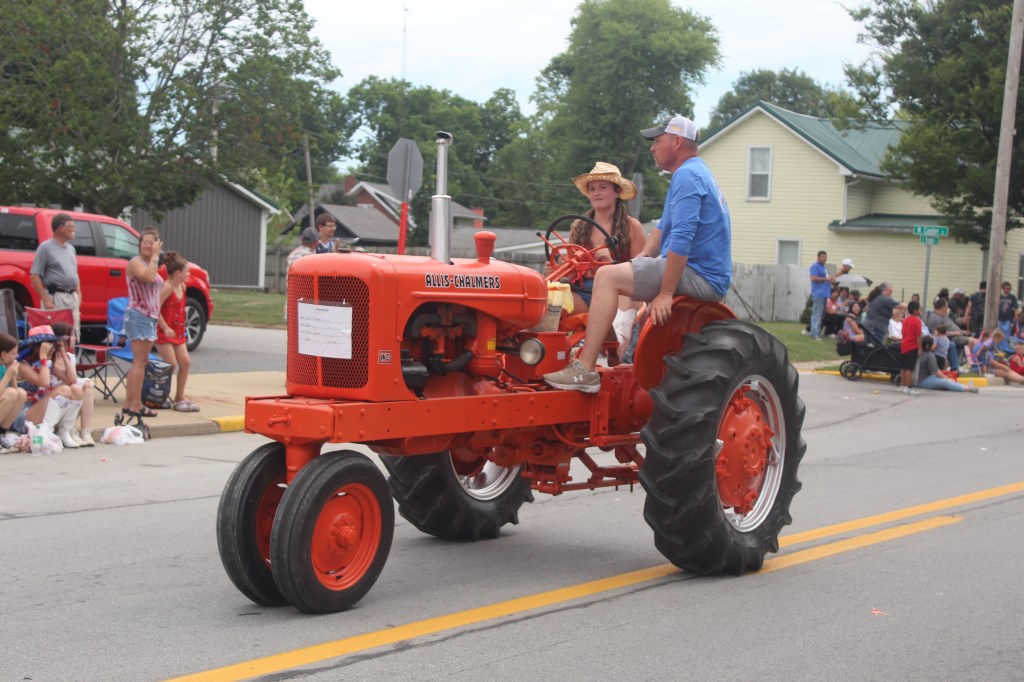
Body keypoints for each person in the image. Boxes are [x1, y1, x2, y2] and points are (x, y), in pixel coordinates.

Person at [543, 115, 731, 392]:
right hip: (703, 272)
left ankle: (585, 368)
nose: (653, 148)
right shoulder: (695, 172)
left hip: (699, 274)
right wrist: (640, 257)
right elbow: (663, 228)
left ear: (677, 141)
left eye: (657, 141)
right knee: (550, 298)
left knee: (607, 277)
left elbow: (682, 237)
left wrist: (665, 292)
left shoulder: (688, 176)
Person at [557, 162, 647, 318]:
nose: (596, 193)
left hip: (619, 292)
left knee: (626, 305)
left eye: (603, 187)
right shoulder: (579, 226)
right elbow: (570, 273)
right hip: (583, 292)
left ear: (617, 192)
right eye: (592, 189)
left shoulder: (632, 226)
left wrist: (612, 265)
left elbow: (641, 274)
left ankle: (615, 331)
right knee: (549, 302)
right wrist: (558, 270)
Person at [16, 325, 81, 447]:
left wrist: (63, 353)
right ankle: (47, 431)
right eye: (49, 345)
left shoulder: (45, 363)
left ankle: (64, 431)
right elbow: (44, 382)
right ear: (38, 346)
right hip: (23, 415)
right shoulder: (23, 365)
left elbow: (72, 379)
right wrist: (44, 357)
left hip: (40, 407)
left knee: (76, 389)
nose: (52, 348)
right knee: (62, 390)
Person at [123, 227, 164, 419]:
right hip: (139, 315)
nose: (147, 246)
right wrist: (155, 256)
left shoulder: (150, 264)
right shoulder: (135, 263)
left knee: (139, 361)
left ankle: (129, 403)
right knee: (140, 361)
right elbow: (148, 278)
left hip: (148, 317)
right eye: (144, 242)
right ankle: (136, 404)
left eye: (151, 243)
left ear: (157, 243)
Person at [156, 252, 198, 413]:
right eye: (187, 271)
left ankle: (179, 396)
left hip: (178, 332)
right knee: (171, 364)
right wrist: (165, 327)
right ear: (178, 272)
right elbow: (155, 308)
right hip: (164, 332)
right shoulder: (167, 287)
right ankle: (161, 396)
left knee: (185, 362)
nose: (188, 274)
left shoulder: (183, 287)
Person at [29, 213, 81, 340]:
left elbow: (74, 273)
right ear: (60, 228)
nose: (74, 229)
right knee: (56, 334)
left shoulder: (71, 249)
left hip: (72, 297)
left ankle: (71, 352)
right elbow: (35, 275)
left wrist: (79, 295)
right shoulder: (45, 248)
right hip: (56, 297)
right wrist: (46, 299)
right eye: (71, 226)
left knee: (72, 333)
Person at [50, 321, 96, 446]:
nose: (74, 338)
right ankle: (68, 430)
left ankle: (85, 431)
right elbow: (71, 380)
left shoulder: (70, 356)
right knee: (78, 386)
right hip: (52, 398)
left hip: (66, 392)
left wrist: (64, 355)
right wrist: (81, 381)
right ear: (62, 339)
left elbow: (72, 379)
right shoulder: (49, 359)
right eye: (71, 335)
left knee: (87, 388)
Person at [0, 333, 28, 449]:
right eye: (13, 353)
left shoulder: (3, 366)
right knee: (11, 393)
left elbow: (15, 393)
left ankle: (2, 433)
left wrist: (12, 375)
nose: (17, 356)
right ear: (3, 354)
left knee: (20, 393)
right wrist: (8, 375)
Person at [926, 297, 970, 369]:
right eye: (946, 306)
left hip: (952, 336)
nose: (947, 308)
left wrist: (962, 331)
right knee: (971, 341)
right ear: (943, 307)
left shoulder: (943, 316)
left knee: (973, 340)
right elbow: (937, 332)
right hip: (945, 337)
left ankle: (958, 365)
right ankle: (961, 365)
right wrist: (954, 333)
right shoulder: (935, 317)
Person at [807, 251, 833, 340]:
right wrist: (826, 278)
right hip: (818, 294)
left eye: (825, 257)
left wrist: (831, 280)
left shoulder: (824, 267)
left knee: (821, 315)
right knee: (817, 314)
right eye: (822, 257)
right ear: (818, 257)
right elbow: (813, 278)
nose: (824, 258)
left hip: (824, 293)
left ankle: (817, 331)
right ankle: (814, 333)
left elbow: (826, 279)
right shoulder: (815, 266)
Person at [899, 300, 923, 394]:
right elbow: (918, 336)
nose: (920, 310)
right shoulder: (917, 321)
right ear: (915, 310)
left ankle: (902, 385)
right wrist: (920, 348)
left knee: (903, 367)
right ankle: (908, 386)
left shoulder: (905, 320)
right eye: (919, 309)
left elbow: (903, 332)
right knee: (910, 368)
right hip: (912, 346)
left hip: (904, 344)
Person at [997, 281, 1018, 350]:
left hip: (1008, 319)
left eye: (1010, 288)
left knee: (1006, 334)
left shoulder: (1012, 297)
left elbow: (1015, 308)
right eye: (1007, 288)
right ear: (1003, 288)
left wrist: (1016, 317)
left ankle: (1005, 347)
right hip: (1000, 318)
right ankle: (1000, 347)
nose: (1009, 290)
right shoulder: (999, 297)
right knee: (1000, 333)